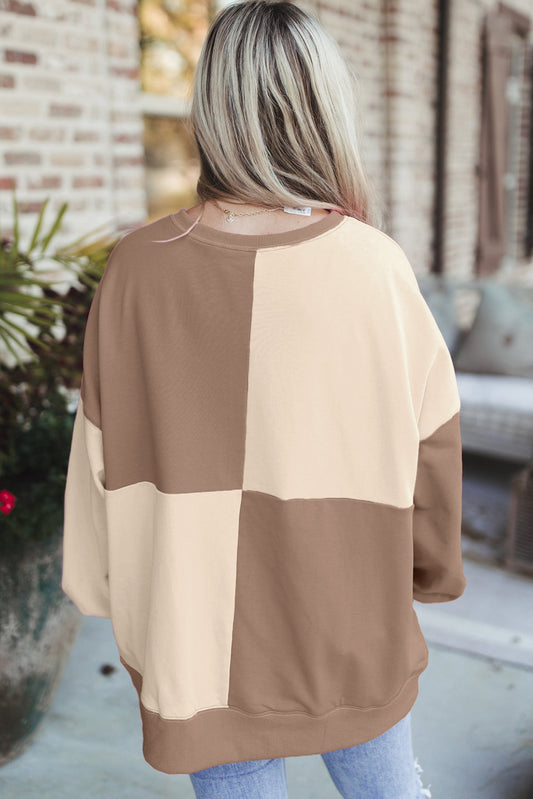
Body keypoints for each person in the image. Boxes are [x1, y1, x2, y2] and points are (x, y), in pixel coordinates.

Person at [61, 1, 466, 797]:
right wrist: (430, 570)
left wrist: (105, 585)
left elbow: (98, 448)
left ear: (210, 107)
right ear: (323, 111)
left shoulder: (137, 268)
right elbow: (434, 441)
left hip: (195, 633)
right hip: (351, 618)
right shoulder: (374, 267)